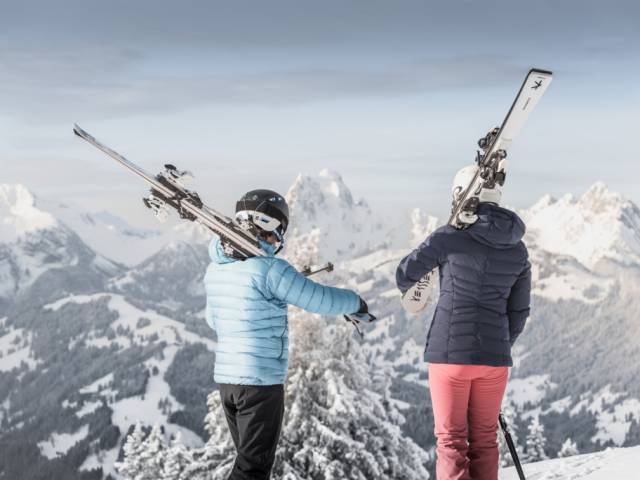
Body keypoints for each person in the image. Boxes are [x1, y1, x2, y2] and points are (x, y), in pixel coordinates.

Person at [204, 189, 371, 480]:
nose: (277, 240)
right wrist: (356, 303)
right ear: (266, 226)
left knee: (246, 463)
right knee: (253, 470)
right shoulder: (270, 269)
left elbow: (212, 320)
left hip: (228, 384)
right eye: (278, 232)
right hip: (260, 386)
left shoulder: (216, 269)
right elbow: (318, 298)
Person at [396, 166, 531, 480]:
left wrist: (439, 243)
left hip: (451, 355)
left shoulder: (449, 236)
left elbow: (406, 274)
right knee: (485, 440)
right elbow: (519, 311)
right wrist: (498, 345)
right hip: (495, 361)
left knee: (451, 441)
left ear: (459, 196)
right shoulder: (519, 249)